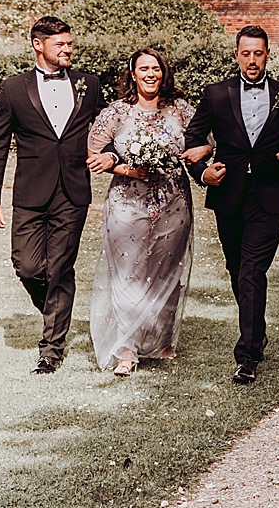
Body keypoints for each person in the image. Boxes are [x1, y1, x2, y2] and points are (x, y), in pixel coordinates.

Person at [0, 16, 108, 374]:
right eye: (60, 44)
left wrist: (111, 155)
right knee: (28, 266)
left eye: (69, 43)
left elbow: (109, 127)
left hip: (73, 191)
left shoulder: (89, 84)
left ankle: (51, 350)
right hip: (30, 193)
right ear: (38, 44)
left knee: (61, 268)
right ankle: (55, 310)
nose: (68, 49)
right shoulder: (13, 89)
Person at [182, 25, 279, 385]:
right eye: (246, 53)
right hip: (228, 195)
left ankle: (247, 355)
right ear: (237, 55)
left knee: (252, 271)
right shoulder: (216, 94)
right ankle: (258, 329)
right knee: (237, 270)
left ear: (268, 54)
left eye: (258, 53)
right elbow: (192, 138)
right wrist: (203, 172)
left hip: (268, 195)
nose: (252, 60)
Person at [86, 48, 195, 376]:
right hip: (127, 203)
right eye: (143, 68)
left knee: (166, 271)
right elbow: (92, 154)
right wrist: (126, 168)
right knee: (128, 274)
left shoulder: (181, 110)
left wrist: (197, 156)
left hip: (172, 202)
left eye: (156, 68)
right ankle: (127, 348)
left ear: (164, 73)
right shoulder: (115, 113)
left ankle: (161, 337)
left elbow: (204, 144)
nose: (150, 74)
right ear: (132, 74)